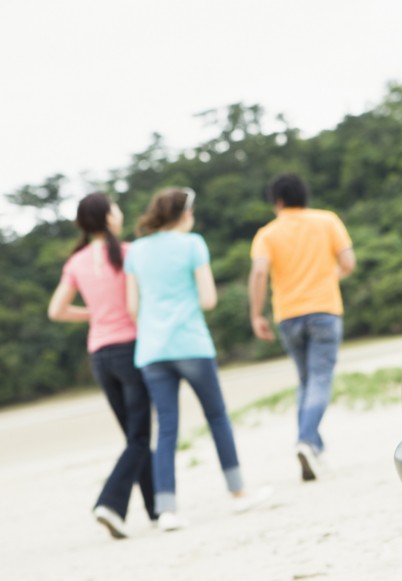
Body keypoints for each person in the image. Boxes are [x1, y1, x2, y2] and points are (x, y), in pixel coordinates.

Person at [124, 186, 271, 531]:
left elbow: (132, 308)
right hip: (190, 343)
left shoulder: (137, 251)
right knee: (217, 416)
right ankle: (238, 492)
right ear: (184, 214)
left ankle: (167, 510)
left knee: (167, 428)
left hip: (152, 350)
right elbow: (208, 299)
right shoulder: (193, 244)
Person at [48, 192, 156, 540]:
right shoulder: (127, 254)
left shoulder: (76, 262)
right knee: (139, 436)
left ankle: (155, 508)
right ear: (109, 218)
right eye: (116, 208)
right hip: (130, 349)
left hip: (100, 355)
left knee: (133, 437)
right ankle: (110, 503)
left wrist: (93, 314)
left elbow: (57, 310)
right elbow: (138, 302)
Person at [248, 174, 356, 481]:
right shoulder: (327, 221)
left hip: (288, 315)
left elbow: (258, 273)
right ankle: (307, 441)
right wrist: (327, 279)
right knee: (319, 380)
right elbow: (348, 263)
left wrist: (257, 314)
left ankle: (315, 450)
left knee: (306, 382)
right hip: (324, 310)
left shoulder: (267, 234)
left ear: (277, 202)